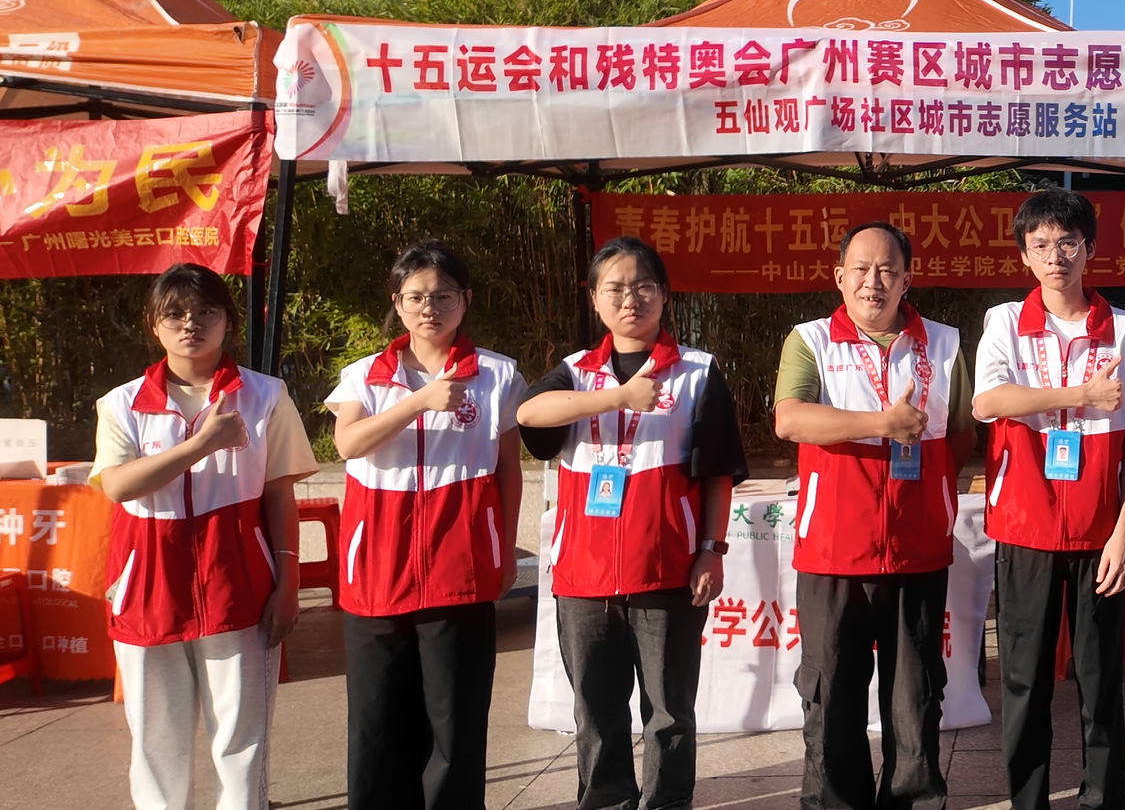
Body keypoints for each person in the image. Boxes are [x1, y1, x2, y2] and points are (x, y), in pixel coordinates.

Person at [518, 236, 748, 810]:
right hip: (583, 577)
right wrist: (617, 397)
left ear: (664, 295)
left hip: (667, 570)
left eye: (644, 286)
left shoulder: (697, 371)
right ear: (595, 298)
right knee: (596, 713)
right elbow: (529, 414)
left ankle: (666, 803)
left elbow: (718, 472)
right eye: (616, 288)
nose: (631, 299)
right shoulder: (575, 372)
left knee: (670, 714)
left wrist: (712, 549)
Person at [93, 263, 317, 810]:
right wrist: (201, 444)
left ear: (228, 321)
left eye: (205, 312)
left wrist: (288, 582)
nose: (190, 324)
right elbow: (118, 485)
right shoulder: (121, 403)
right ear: (153, 324)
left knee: (242, 738)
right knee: (156, 739)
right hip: (147, 588)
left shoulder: (266, 395)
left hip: (239, 586)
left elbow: (279, 494)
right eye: (174, 314)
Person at [772, 220, 974, 810]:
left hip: (917, 552)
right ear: (839, 276)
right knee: (831, 697)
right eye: (861, 269)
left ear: (908, 279)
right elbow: (790, 419)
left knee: (915, 699)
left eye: (888, 269)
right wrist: (882, 424)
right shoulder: (810, 340)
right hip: (832, 553)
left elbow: (961, 436)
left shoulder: (945, 344)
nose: (873, 281)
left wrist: (927, 497)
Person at [325, 240, 525, 810]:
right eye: (415, 297)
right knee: (377, 718)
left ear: (466, 300)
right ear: (397, 302)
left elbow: (508, 471)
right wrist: (418, 402)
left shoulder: (497, 375)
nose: (429, 308)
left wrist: (505, 550)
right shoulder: (363, 376)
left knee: (455, 718)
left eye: (442, 296)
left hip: (461, 564)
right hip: (377, 568)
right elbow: (347, 444)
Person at [974, 188, 1125, 810]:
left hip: (1099, 533)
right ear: (1025, 255)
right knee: (1023, 681)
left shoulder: (1123, 329)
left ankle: (1101, 800)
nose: (1056, 256)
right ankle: (1028, 801)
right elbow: (988, 402)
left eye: (1068, 243)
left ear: (1090, 249)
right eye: (1042, 245)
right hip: (1023, 527)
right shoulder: (1005, 322)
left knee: (1100, 684)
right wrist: (1079, 394)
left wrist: (1124, 531)